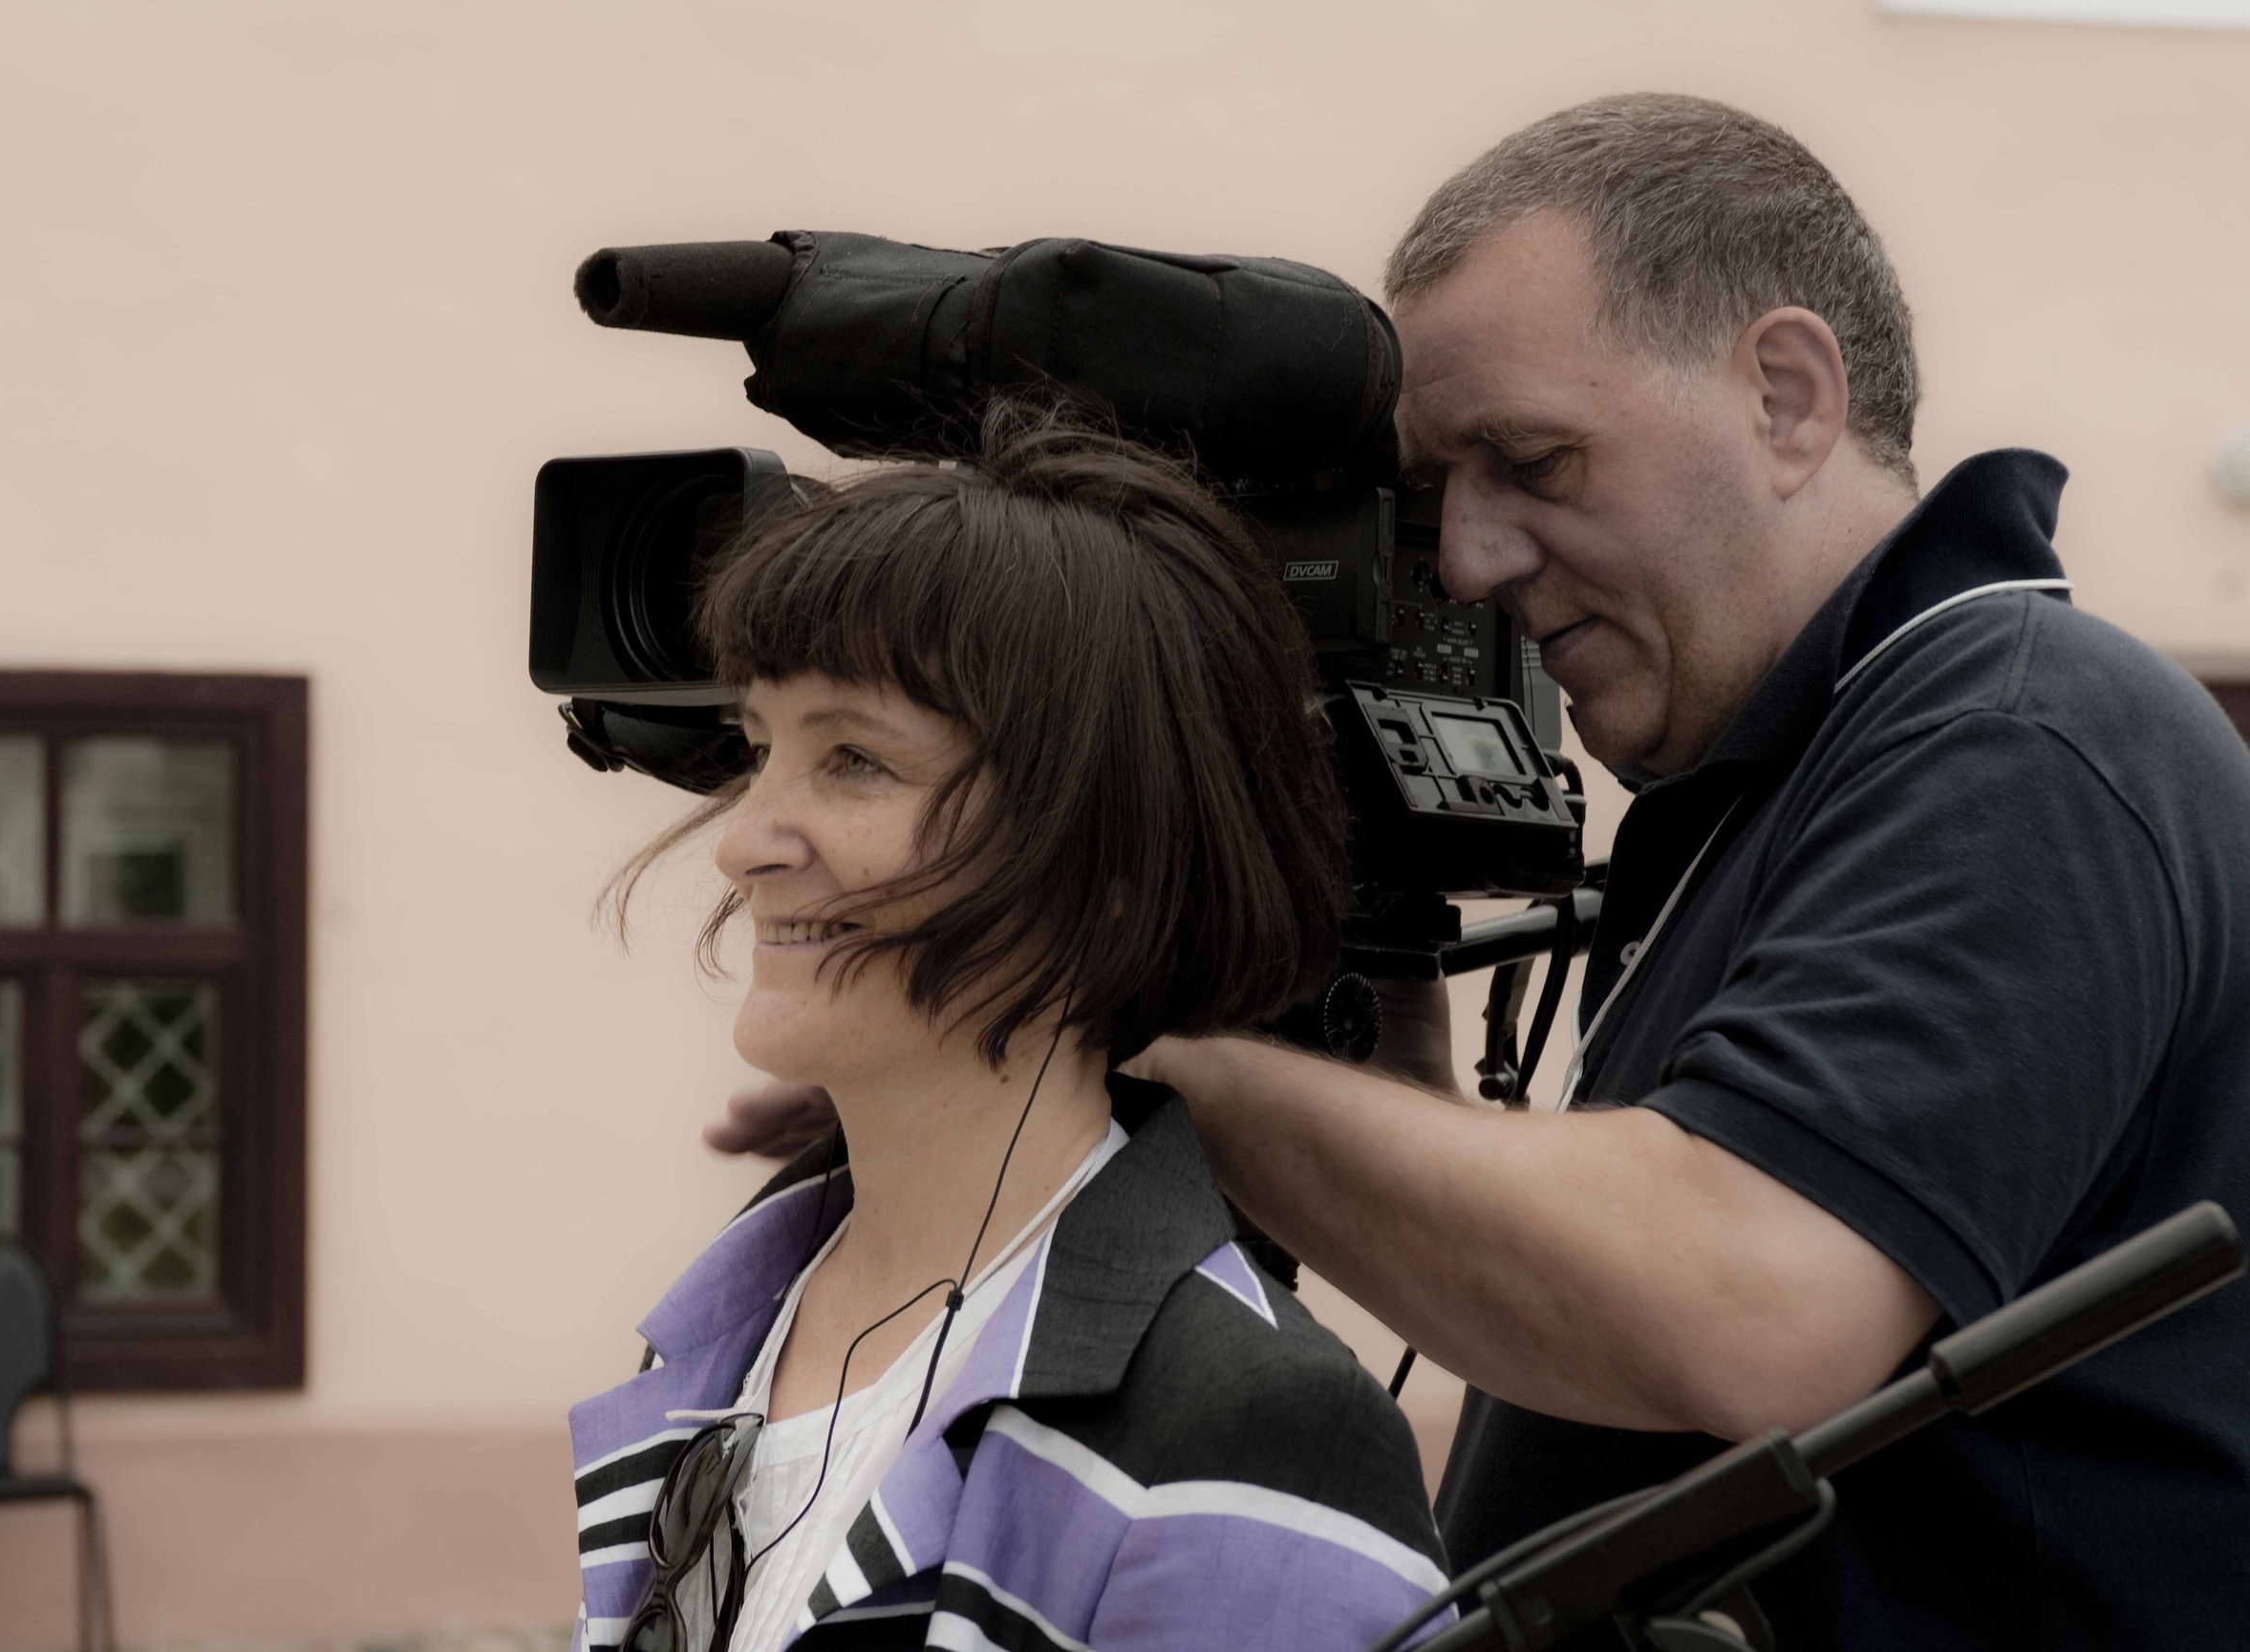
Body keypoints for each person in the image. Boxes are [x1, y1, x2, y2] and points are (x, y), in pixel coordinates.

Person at [716, 97, 2250, 1647]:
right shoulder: (1788, 778)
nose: (1466, 560)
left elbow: (1753, 1303)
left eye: (1530, 461)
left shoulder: (2025, 733)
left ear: (1787, 396)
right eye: (1437, 490)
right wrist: (1380, 1079)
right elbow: (1612, 1326)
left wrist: (1140, 1052)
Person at [567, 408, 1448, 1652]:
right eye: (760, 749)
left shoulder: (1252, 1436)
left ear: (1110, 863)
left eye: (856, 759)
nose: (744, 840)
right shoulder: (728, 1341)